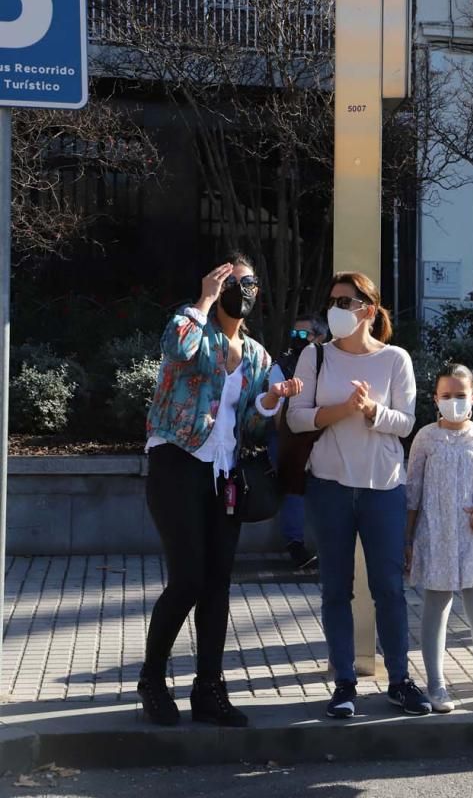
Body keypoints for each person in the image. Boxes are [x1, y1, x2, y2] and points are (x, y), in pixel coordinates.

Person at [138, 253, 302, 727]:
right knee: (188, 578)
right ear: (217, 282)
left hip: (226, 474)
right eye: (236, 282)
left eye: (251, 284)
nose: (244, 291)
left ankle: (209, 688)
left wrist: (271, 400)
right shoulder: (194, 328)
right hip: (177, 462)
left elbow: (249, 423)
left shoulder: (255, 354)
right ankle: (152, 679)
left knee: (218, 585)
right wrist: (203, 301)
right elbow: (174, 346)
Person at [287, 271, 432, 719]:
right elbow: (296, 419)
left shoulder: (395, 359)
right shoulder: (314, 356)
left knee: (388, 588)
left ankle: (400, 681)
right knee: (335, 588)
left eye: (345, 302)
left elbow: (407, 423)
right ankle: (344, 683)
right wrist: (342, 410)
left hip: (383, 486)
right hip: (329, 485)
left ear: (368, 310)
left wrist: (372, 411)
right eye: (332, 301)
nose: (335, 310)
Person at [407, 363, 473, 713]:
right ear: (435, 399)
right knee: (436, 608)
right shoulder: (425, 437)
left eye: (461, 395)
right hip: (435, 535)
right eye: (447, 395)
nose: (454, 401)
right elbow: (413, 492)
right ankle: (436, 686)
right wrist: (407, 541)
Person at [267, 314, 328, 570]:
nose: (297, 340)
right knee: (294, 491)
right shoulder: (282, 366)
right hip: (290, 436)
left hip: (325, 435)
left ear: (320, 337)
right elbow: (278, 413)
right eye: (295, 334)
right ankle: (295, 545)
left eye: (304, 335)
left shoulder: (332, 363)